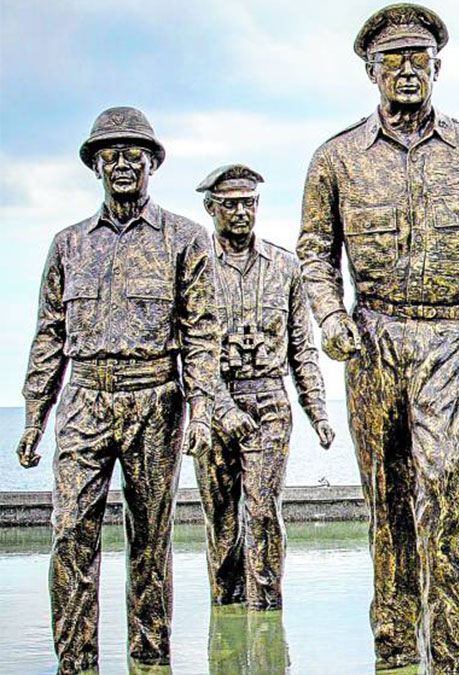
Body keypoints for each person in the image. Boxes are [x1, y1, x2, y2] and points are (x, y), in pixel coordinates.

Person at [296, 4, 459, 672]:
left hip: (453, 342)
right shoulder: (336, 159)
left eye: (418, 58)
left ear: (438, 66)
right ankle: (396, 653)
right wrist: (330, 315)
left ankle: (455, 662)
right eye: (392, 60)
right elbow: (314, 253)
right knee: (389, 507)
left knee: (450, 509)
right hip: (371, 344)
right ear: (370, 70)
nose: (406, 70)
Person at [15, 106, 238, 673]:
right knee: (70, 538)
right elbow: (49, 334)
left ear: (152, 163)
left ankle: (150, 659)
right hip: (84, 401)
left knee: (149, 543)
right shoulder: (67, 245)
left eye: (133, 153)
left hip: (155, 404)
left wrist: (204, 410)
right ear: (95, 165)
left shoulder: (185, 239)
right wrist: (35, 416)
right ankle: (75, 663)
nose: (121, 163)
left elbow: (202, 334)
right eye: (109, 153)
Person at [195, 163, 334, 612]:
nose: (240, 213)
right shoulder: (194, 268)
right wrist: (220, 406)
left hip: (269, 401)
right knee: (221, 517)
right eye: (231, 204)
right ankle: (226, 609)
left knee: (261, 511)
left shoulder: (285, 268)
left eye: (248, 203)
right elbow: (188, 351)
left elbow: (303, 349)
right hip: (212, 404)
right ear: (210, 207)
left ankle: (266, 612)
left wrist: (319, 412)